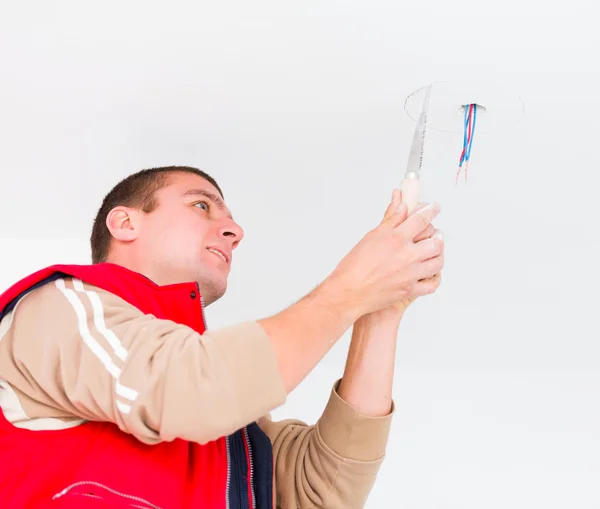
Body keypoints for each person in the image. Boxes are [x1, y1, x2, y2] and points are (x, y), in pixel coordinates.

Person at [0, 165, 444, 509]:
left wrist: (377, 312)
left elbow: (320, 493)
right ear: (125, 223)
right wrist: (351, 288)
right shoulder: (61, 310)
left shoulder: (226, 417)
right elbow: (193, 388)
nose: (235, 231)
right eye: (201, 206)